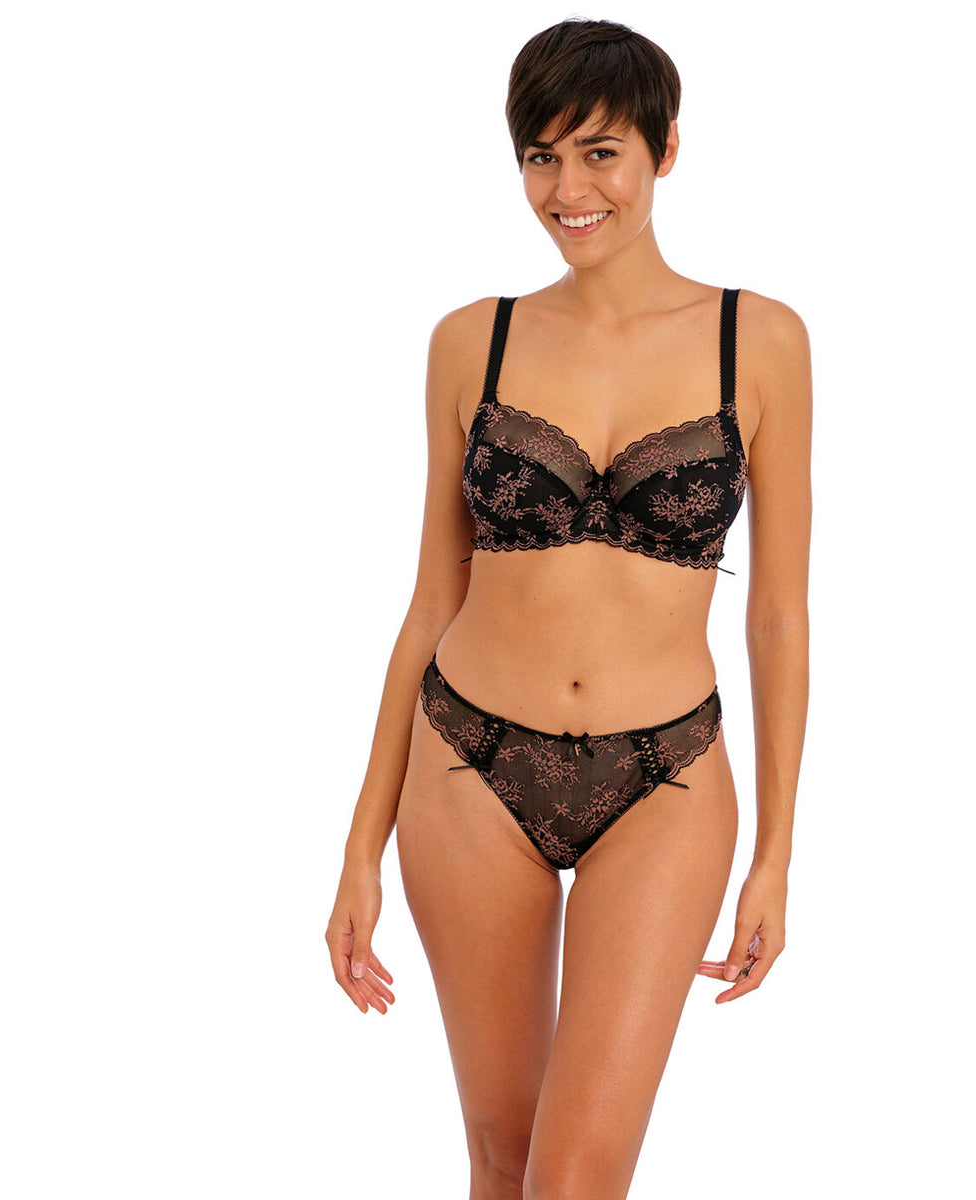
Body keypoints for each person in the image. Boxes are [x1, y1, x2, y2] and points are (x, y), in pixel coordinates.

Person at [326, 17, 811, 1199]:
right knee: (502, 1161)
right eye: (541, 157)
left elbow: (780, 617)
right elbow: (430, 600)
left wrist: (776, 856)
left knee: (576, 1175)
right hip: (466, 764)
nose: (568, 190)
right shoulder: (472, 341)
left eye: (600, 153)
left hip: (667, 776)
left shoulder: (759, 340)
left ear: (665, 150)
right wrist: (358, 847)